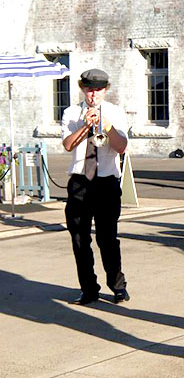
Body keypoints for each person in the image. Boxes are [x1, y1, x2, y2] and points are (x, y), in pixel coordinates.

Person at [61, 69, 129, 305]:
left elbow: (121, 147)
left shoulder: (115, 112)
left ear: (105, 90)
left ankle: (118, 285)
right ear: (83, 89)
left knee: (107, 238)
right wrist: (84, 125)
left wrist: (106, 125)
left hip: (106, 182)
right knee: (80, 239)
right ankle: (88, 289)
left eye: (98, 90)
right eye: (89, 89)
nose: (93, 95)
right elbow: (68, 145)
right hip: (80, 180)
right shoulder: (71, 113)